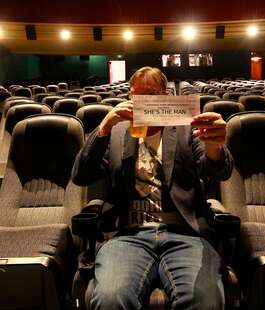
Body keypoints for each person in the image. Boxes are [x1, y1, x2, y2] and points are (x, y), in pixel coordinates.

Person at [71, 66, 233, 310]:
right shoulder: (116, 132)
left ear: (167, 96)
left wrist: (214, 146)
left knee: (205, 300)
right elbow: (81, 176)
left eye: (151, 93)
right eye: (136, 95)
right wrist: (104, 126)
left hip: (184, 233)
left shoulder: (186, 127)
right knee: (111, 299)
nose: (142, 101)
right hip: (126, 235)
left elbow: (220, 170)